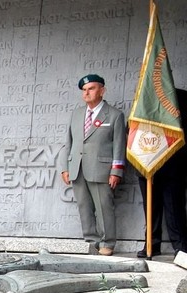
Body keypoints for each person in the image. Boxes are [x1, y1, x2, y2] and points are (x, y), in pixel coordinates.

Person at [59, 74, 126, 256]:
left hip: (101, 169)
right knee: (84, 207)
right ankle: (91, 241)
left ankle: (107, 243)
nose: (86, 93)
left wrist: (116, 171)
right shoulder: (76, 114)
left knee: (104, 207)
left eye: (91, 89)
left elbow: (119, 145)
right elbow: (69, 142)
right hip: (77, 168)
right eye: (84, 90)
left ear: (102, 90)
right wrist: (65, 167)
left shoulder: (114, 115)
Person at [135, 88, 187, 258]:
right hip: (147, 163)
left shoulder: (179, 97)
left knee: (174, 209)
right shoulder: (142, 98)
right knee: (151, 209)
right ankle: (152, 244)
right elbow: (133, 129)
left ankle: (180, 247)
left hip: (173, 164)